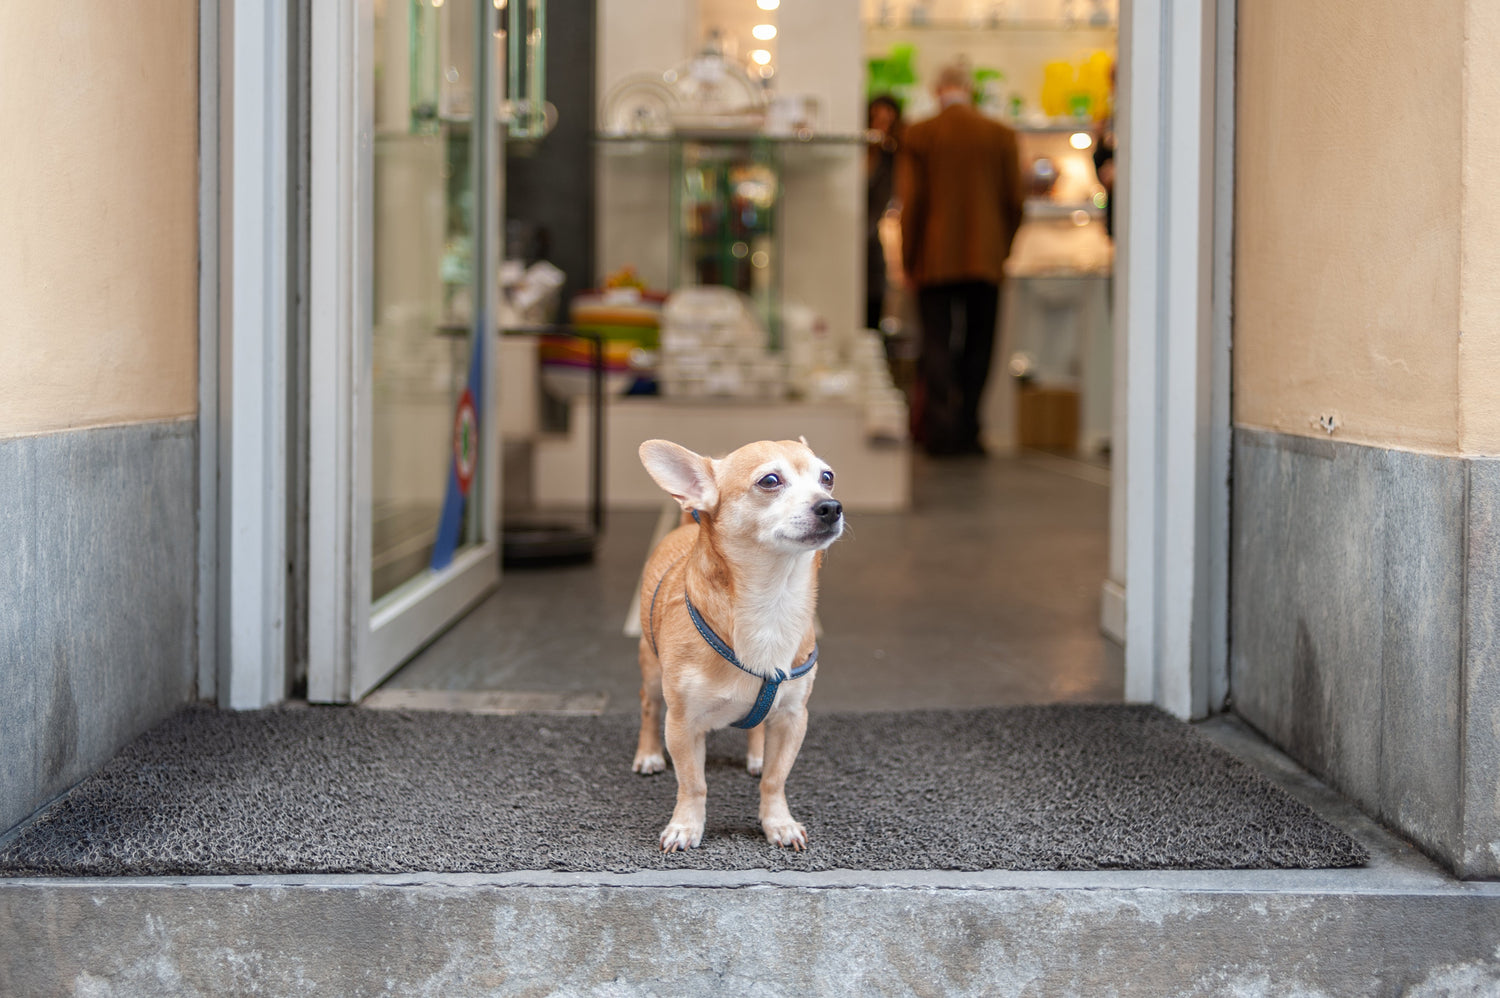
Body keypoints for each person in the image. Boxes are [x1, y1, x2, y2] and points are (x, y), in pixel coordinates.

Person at [897, 64, 1027, 456]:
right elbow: (1015, 203)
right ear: (969, 90)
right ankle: (970, 429)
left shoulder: (921, 134)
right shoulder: (1000, 134)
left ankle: (940, 433)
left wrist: (908, 259)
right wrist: (1001, 249)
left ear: (938, 89)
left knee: (936, 342)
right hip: (986, 260)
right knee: (980, 345)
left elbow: (912, 204)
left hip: (934, 259)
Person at [865, 94, 902, 332]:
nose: (880, 126)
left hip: (871, 247)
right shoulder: (857, 155)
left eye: (887, 121)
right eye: (876, 118)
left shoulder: (892, 160)